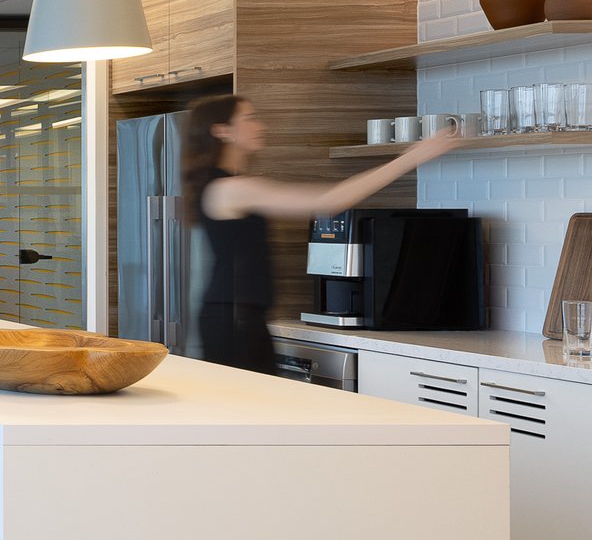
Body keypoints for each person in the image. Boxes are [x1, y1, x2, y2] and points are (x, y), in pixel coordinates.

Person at [182, 95, 459, 374]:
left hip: (236, 317)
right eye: (249, 118)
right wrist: (413, 156)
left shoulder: (227, 185)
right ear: (222, 131)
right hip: (235, 321)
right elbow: (330, 201)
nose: (261, 126)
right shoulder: (231, 188)